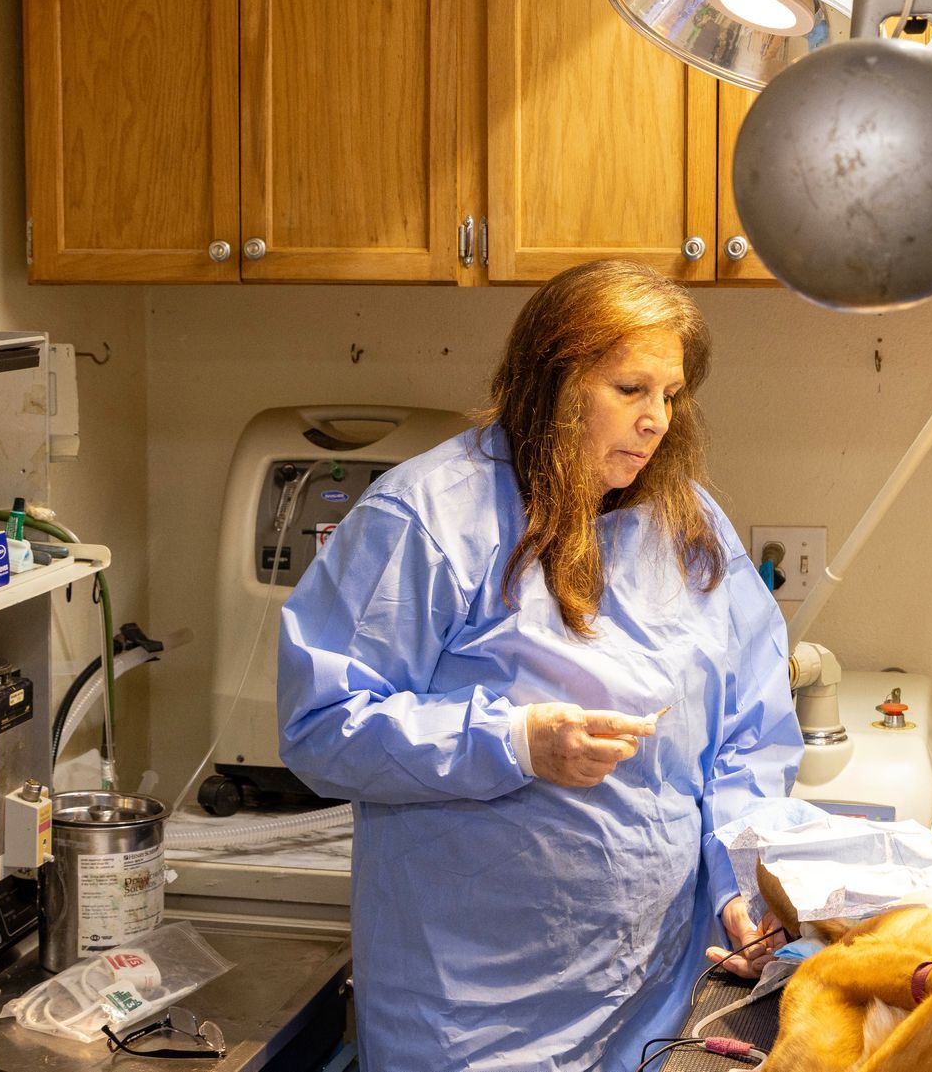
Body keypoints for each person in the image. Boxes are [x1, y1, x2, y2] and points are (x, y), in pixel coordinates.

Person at [276, 260, 802, 1069]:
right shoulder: (426, 518)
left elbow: (748, 734)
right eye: (630, 389)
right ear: (553, 383)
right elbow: (321, 726)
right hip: (471, 1013)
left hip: (648, 999)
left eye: (671, 393)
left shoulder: (689, 527)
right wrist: (517, 742)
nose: (657, 419)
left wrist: (737, 880)